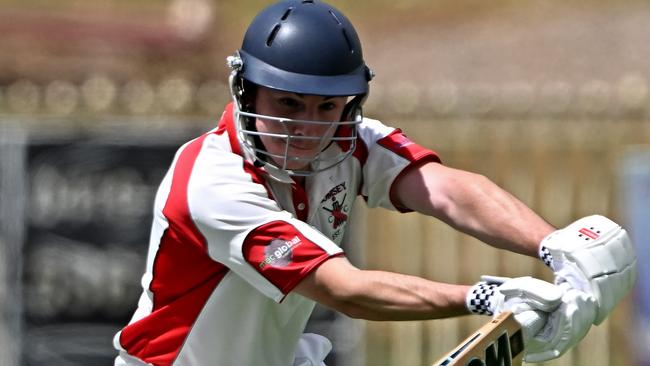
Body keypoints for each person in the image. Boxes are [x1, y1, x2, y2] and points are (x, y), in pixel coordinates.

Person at [113, 1, 637, 365]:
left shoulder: (353, 141)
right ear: (245, 90)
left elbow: (446, 189)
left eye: (326, 107)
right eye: (288, 103)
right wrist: (483, 296)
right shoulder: (213, 184)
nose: (307, 127)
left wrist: (553, 245)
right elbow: (345, 290)